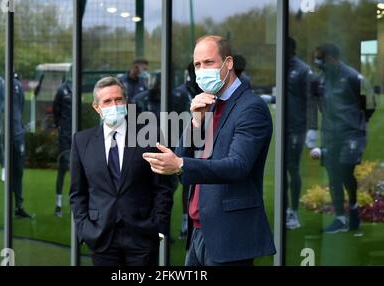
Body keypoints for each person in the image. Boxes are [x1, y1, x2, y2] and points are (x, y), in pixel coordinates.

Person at [143, 35, 276, 266]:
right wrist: (195, 122)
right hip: (198, 232)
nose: (201, 70)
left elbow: (238, 166)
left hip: (229, 235)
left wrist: (181, 165)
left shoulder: (251, 108)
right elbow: (181, 153)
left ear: (229, 63)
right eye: (197, 65)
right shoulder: (208, 103)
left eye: (209, 62)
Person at [69, 77, 174, 266]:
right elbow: (78, 192)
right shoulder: (81, 141)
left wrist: (159, 227)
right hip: (101, 237)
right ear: (96, 107)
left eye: (118, 100)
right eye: (107, 101)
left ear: (126, 103)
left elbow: (163, 187)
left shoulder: (149, 136)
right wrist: (84, 229)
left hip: (142, 235)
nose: (114, 105)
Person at [310, 43, 367, 233]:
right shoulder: (322, 79)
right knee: (333, 174)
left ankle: (353, 206)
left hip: (350, 133)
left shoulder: (352, 77)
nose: (318, 62)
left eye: (321, 58)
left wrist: (354, 122)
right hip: (330, 134)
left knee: (345, 169)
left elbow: (368, 105)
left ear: (333, 58)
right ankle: (340, 218)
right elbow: (320, 103)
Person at [284, 37, 319, 230]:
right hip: (283, 126)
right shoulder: (282, 67)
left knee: (292, 168)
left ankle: (294, 212)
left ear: (291, 49)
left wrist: (312, 128)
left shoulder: (304, 71)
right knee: (282, 168)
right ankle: (285, 208)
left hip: (297, 128)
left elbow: (312, 101)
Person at [169, 62, 202, 240]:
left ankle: (187, 221)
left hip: (201, 144)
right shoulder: (180, 93)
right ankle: (173, 224)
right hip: (180, 145)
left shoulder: (205, 92)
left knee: (191, 183)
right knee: (172, 186)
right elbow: (171, 120)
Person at [12, 74, 32, 218]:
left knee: (18, 171)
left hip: (18, 133)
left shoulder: (17, 84)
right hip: (9, 134)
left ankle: (18, 206)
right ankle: (14, 207)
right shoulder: (1, 83)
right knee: (12, 172)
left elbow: (21, 106)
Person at [52, 79, 72, 217]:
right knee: (63, 167)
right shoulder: (62, 90)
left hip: (76, 135)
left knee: (76, 171)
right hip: (65, 135)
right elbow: (55, 110)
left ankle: (75, 205)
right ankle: (58, 205)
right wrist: (60, 127)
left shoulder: (78, 89)